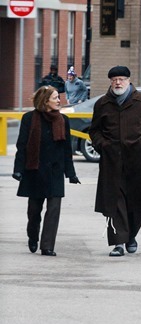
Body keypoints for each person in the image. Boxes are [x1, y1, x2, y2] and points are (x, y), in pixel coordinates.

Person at [89, 65, 141, 257]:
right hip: (111, 161)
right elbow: (94, 130)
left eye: (121, 79)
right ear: (110, 82)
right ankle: (118, 242)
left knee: (138, 203)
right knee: (115, 201)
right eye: (114, 80)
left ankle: (130, 236)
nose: (118, 83)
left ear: (129, 81)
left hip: (138, 161)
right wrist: (102, 145)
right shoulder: (103, 104)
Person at [12, 85, 81, 256]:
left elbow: (67, 150)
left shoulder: (63, 120)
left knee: (54, 210)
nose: (59, 101)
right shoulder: (29, 118)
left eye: (59, 97)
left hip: (55, 172)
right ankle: (33, 235)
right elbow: (22, 146)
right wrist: (18, 169)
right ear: (45, 100)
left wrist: (71, 174)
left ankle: (47, 246)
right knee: (34, 211)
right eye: (56, 97)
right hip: (34, 171)